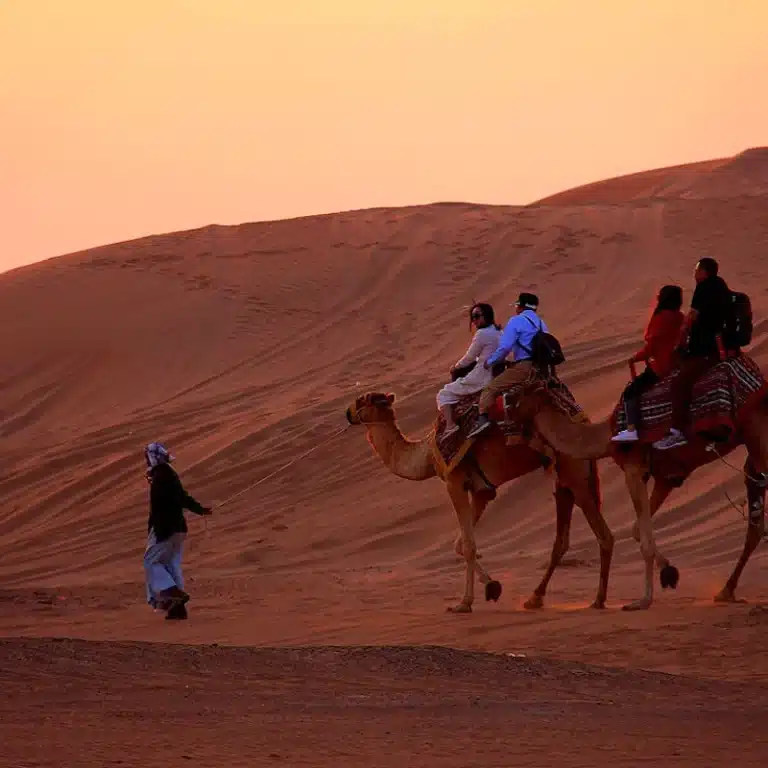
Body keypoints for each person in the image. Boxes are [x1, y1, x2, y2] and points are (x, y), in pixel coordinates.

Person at [653, 258, 732, 450]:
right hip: (716, 346)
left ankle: (678, 431)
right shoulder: (722, 288)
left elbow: (691, 319)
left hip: (703, 350)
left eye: (696, 270)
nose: (695, 275)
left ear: (704, 271)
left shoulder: (704, 287)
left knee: (678, 384)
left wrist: (681, 340)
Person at [143, 442, 212, 620]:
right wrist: (200, 509)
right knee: (172, 564)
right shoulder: (169, 474)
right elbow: (182, 497)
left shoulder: (160, 476)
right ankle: (177, 609)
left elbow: (165, 506)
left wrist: (159, 529)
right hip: (178, 528)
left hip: (166, 528)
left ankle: (172, 593)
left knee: (152, 562)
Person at [467, 292, 548, 439]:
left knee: (490, 389)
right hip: (541, 369)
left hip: (524, 368)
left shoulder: (516, 321)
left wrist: (490, 362)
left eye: (517, 305)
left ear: (520, 307)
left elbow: (505, 348)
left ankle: (483, 419)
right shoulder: (541, 323)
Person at [611, 285, 685, 443]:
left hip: (661, 367)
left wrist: (635, 358)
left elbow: (652, 347)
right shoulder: (680, 317)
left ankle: (631, 429)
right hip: (676, 364)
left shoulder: (661, 318)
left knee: (631, 391)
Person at [436, 303, 502, 435]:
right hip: (496, 374)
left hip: (482, 377)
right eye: (472, 317)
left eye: (477, 316)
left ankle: (450, 426)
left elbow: (469, 358)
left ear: (487, 316)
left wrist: (455, 367)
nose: (474, 321)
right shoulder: (499, 331)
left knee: (443, 394)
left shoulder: (482, 333)